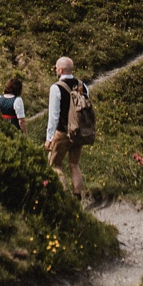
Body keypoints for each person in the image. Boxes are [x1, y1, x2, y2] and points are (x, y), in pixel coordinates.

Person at [46, 56, 91, 197]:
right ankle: (77, 196)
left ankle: (64, 196)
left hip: (63, 131)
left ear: (60, 70)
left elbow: (53, 116)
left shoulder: (56, 88)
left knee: (55, 164)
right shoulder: (82, 86)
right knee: (74, 165)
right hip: (78, 131)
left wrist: (49, 138)